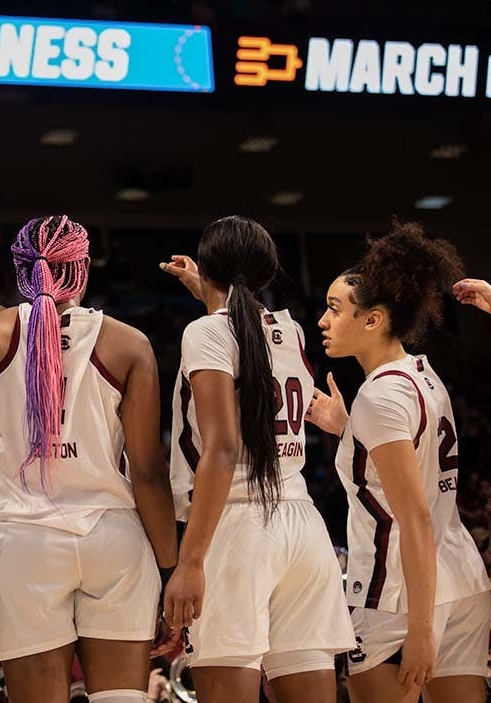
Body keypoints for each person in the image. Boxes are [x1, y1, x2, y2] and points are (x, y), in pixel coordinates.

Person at [0, 217, 177, 703]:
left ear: (21, 271)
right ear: (82, 271)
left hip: (26, 543)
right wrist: (169, 570)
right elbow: (147, 473)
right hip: (115, 541)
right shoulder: (130, 343)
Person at [160, 215, 354, 703]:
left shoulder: (205, 332)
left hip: (236, 527)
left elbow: (223, 449)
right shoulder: (290, 333)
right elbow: (242, 332)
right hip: (303, 528)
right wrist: (206, 289)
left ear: (209, 269)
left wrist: (190, 562)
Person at [307, 223, 491, 703]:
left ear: (372, 320)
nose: (322, 321)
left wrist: (420, 628)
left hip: (399, 595)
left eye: (334, 309)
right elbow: (411, 474)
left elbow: (414, 516)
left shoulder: (379, 397)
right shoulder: (422, 375)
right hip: (462, 579)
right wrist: (349, 429)